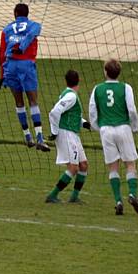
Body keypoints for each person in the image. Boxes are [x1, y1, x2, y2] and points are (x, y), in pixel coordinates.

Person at [89, 59, 138, 215]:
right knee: (130, 164)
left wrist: (97, 127)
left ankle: (118, 201)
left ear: (105, 72)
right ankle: (132, 194)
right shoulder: (126, 88)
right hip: (123, 128)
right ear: (119, 72)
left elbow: (92, 110)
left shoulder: (97, 89)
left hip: (106, 130)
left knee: (113, 167)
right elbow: (131, 109)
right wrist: (135, 126)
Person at [0, 3, 50, 151]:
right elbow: (30, 35)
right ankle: (39, 138)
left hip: (10, 66)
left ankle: (27, 136)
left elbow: (1, 54)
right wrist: (21, 48)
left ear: (15, 14)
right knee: (33, 101)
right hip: (25, 65)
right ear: (27, 14)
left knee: (19, 102)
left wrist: (3, 75)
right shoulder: (34, 25)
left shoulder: (6, 29)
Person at [45, 70, 91, 203]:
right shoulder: (71, 96)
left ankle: (74, 197)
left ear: (66, 81)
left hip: (73, 133)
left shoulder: (69, 94)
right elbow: (54, 112)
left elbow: (69, 115)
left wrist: (84, 123)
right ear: (79, 80)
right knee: (73, 167)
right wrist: (54, 132)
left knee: (83, 165)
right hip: (66, 134)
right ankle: (52, 195)